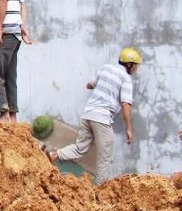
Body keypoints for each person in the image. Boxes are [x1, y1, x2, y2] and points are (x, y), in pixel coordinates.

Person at [47, 48, 140, 184]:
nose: (136, 69)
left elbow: (89, 85)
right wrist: (129, 129)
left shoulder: (105, 68)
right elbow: (126, 104)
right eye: (135, 65)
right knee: (105, 156)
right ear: (129, 64)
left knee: (80, 148)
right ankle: (100, 189)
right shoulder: (126, 79)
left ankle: (53, 155)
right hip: (102, 118)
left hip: (88, 114)